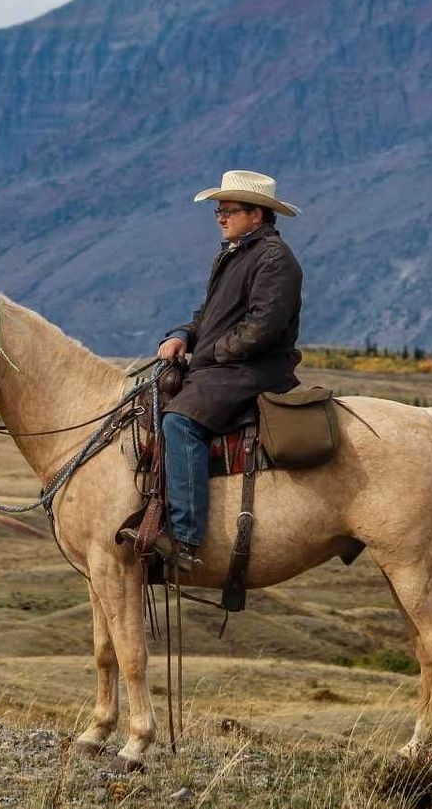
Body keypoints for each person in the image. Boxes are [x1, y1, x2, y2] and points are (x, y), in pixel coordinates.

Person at [151, 169, 304, 568]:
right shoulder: (236, 253)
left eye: (230, 211)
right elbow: (210, 315)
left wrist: (211, 354)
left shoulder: (274, 259)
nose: (220, 217)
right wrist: (184, 334)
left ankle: (185, 538)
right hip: (227, 365)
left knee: (180, 422)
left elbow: (262, 328)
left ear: (257, 215)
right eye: (218, 211)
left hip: (254, 370)